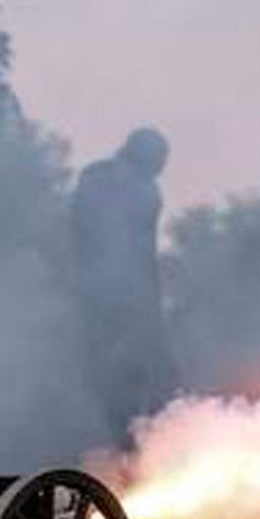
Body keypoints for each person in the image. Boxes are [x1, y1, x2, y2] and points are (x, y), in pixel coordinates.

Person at [70, 126, 180, 446]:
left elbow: (78, 236)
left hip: (93, 298)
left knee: (114, 390)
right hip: (128, 302)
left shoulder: (93, 177)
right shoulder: (143, 189)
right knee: (149, 383)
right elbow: (141, 254)